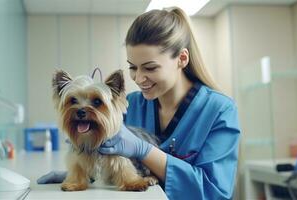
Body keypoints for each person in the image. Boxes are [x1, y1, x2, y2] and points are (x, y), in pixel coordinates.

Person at [38, 7, 240, 200]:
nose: (139, 78)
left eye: (150, 68)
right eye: (133, 68)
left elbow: (214, 192)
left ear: (182, 59)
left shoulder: (219, 110)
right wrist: (78, 171)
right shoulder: (131, 104)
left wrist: (145, 150)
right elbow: (110, 164)